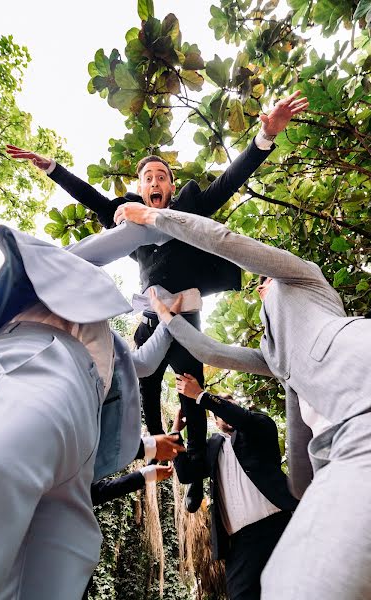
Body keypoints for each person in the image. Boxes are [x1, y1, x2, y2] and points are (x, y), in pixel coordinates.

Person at [6, 91, 308, 511]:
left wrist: (264, 136)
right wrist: (54, 169)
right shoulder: (132, 223)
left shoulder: (188, 208)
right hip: (150, 315)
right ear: (140, 190)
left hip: (185, 317)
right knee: (142, 380)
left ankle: (195, 474)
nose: (154, 183)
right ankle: (165, 445)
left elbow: (228, 182)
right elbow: (93, 198)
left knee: (191, 393)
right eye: (147, 178)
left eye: (161, 177)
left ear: (170, 186)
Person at [113, 203, 371, 600]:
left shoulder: (303, 279)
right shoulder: (276, 357)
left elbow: (224, 241)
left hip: (362, 386)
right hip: (346, 445)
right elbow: (213, 353)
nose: (260, 287)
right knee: (289, 584)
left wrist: (155, 218)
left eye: (261, 282)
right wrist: (166, 319)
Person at [0, 225, 183, 600]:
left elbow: (144, 366)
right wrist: (153, 222)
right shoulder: (59, 272)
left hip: (83, 433)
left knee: (51, 574)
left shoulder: (109, 346)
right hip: (36, 359)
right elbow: (109, 245)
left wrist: (170, 320)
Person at [171, 395, 296, 600]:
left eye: (229, 408)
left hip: (278, 527)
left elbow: (243, 420)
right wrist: (176, 430)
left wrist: (202, 396)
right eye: (218, 414)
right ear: (214, 421)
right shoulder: (212, 449)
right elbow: (185, 474)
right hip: (239, 544)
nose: (224, 415)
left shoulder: (259, 426)